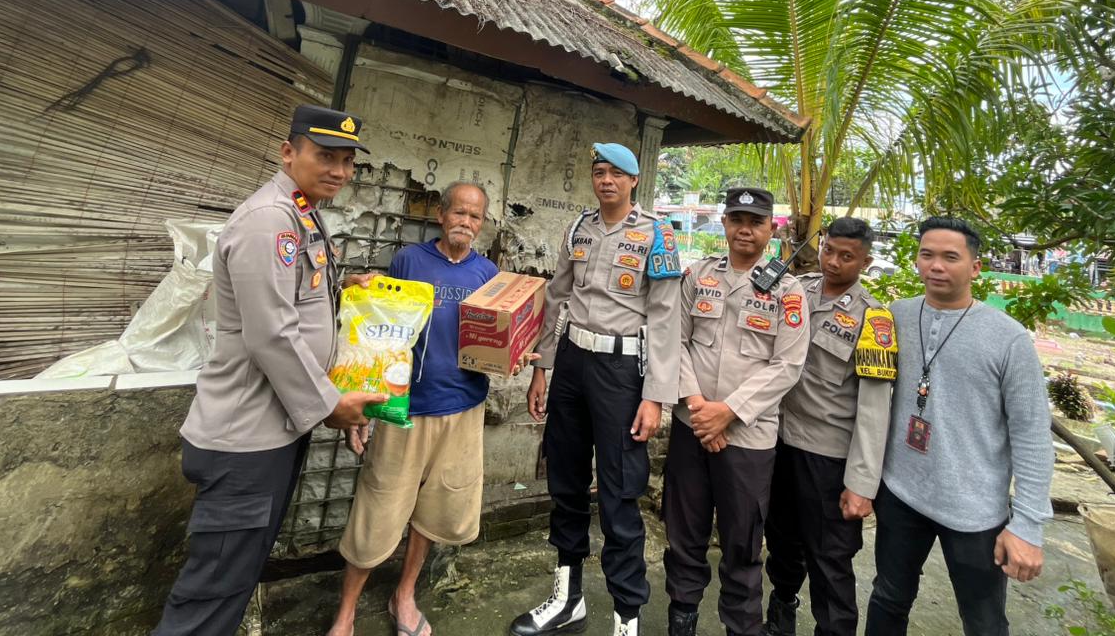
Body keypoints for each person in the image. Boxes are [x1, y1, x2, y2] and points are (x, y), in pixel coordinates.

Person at [152, 105, 386, 636]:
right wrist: (330, 404)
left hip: (269, 434)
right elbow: (271, 334)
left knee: (231, 584)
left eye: (348, 161)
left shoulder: (301, 211)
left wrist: (342, 289)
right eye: (326, 156)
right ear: (288, 152)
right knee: (210, 598)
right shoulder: (269, 221)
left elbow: (290, 301)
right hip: (246, 441)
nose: (340, 171)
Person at [512, 143, 683, 636]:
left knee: (619, 496)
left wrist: (655, 396)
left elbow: (666, 319)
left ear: (634, 181)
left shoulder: (657, 235)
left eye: (616, 173)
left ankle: (626, 619)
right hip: (572, 364)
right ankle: (568, 600)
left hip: (621, 373)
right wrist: (542, 368)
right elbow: (555, 297)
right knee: (565, 482)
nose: (606, 180)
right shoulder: (578, 228)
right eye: (599, 172)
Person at [327, 181, 507, 636]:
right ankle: (345, 612)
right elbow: (381, 332)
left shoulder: (488, 273)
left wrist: (515, 353)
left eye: (475, 216)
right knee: (379, 506)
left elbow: (495, 341)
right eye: (459, 212)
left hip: (463, 406)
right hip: (406, 407)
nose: (466, 222)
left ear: (482, 224)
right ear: (442, 215)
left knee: (434, 508)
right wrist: (363, 408)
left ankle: (404, 595)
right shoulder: (409, 260)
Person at [864, 217, 1053, 636]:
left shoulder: (1008, 338)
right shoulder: (894, 317)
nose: (936, 266)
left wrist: (1027, 524)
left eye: (951, 257)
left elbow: (1032, 436)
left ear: (975, 267)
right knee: (888, 598)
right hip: (901, 492)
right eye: (927, 255)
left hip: (974, 508)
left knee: (983, 621)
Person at [664, 187, 810, 636]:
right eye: (737, 220)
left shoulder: (788, 291)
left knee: (743, 543)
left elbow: (788, 365)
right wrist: (698, 407)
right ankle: (681, 619)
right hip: (692, 428)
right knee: (683, 534)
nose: (745, 229)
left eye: (756, 222)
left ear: (771, 229)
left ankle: (742, 626)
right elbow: (675, 341)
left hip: (748, 438)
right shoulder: (699, 275)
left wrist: (727, 412)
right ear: (725, 223)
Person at [763, 217, 894, 636]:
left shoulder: (874, 319)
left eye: (846, 256)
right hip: (779, 440)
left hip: (828, 456)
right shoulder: (796, 290)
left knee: (830, 558)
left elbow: (875, 409)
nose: (833, 261)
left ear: (865, 262)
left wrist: (862, 484)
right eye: (828, 251)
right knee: (781, 541)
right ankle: (781, 613)